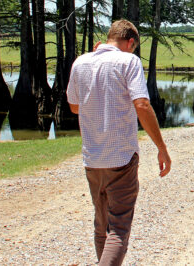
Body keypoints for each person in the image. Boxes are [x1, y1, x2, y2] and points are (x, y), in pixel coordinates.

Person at [67, 19, 172, 265]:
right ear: (130, 42)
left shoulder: (81, 62)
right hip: (121, 158)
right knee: (118, 229)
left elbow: (74, 106)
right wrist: (162, 148)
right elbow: (142, 105)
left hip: (92, 158)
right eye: (133, 47)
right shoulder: (129, 61)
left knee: (100, 224)